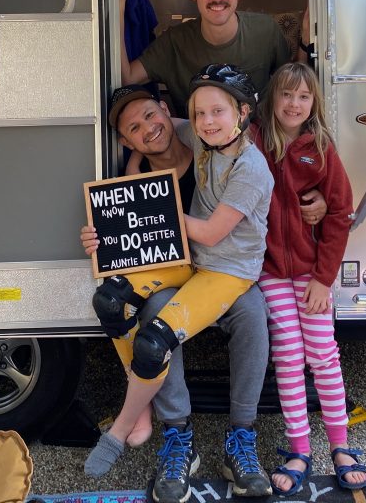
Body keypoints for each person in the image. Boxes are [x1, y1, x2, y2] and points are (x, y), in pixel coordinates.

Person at [83, 65, 274, 498]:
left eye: (217, 112)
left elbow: (210, 233)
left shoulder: (243, 163)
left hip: (227, 270)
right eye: (200, 113)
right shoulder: (202, 135)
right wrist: (104, 231)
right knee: (111, 300)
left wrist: (149, 210)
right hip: (187, 263)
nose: (207, 120)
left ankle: (239, 437)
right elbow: (135, 180)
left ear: (242, 112)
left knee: (234, 319)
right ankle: (165, 424)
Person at [253, 62, 366, 494]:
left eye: (303, 96)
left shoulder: (320, 148)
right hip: (270, 272)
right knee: (287, 355)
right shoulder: (255, 143)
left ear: (314, 103)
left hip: (310, 273)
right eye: (286, 94)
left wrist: (324, 278)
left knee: (322, 353)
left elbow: (339, 212)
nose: (294, 104)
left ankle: (340, 445)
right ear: (272, 98)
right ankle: (299, 448)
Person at [118, 0, 290, 117]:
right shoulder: (174, 43)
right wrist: (119, 5)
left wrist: (304, 43)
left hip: (258, 134)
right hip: (195, 135)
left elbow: (293, 85)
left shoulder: (266, 30)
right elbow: (127, 78)